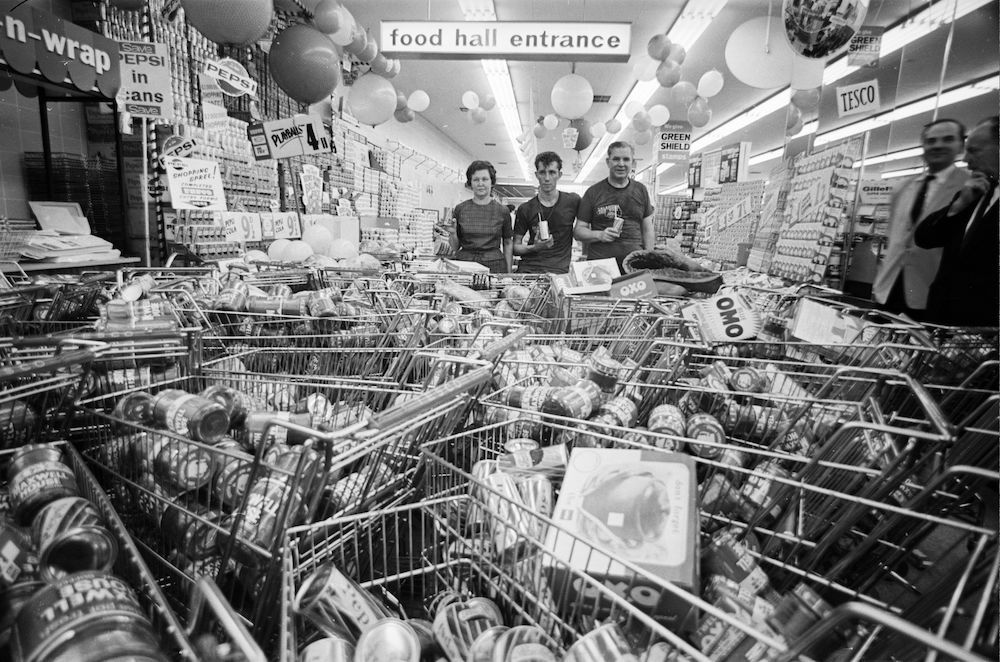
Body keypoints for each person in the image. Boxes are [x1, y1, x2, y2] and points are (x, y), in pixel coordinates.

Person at [871, 119, 968, 319]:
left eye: (948, 139)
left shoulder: (967, 187)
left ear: (961, 145)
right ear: (923, 146)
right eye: (931, 141)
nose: (938, 145)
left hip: (928, 293)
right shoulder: (903, 188)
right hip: (888, 289)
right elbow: (895, 240)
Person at [915, 116, 999, 327]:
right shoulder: (976, 191)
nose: (966, 160)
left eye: (974, 151)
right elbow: (924, 237)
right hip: (942, 320)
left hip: (982, 329)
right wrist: (958, 205)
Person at [575, 141, 655, 270]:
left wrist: (649, 258)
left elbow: (648, 229)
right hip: (600, 267)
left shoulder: (641, 190)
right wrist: (599, 235)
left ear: (632, 163)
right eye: (616, 159)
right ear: (608, 162)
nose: (621, 164)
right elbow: (578, 231)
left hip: (634, 266)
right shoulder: (593, 192)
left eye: (626, 159)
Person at [513, 151, 581, 274]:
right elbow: (515, 247)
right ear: (536, 175)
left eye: (552, 172)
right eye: (542, 172)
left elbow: (585, 227)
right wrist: (535, 247)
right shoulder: (526, 208)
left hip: (558, 271)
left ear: (559, 175)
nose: (547, 178)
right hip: (529, 270)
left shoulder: (573, 201)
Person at [451, 160, 513, 273]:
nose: (480, 184)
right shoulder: (460, 209)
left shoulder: (502, 211)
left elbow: (508, 243)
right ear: (470, 183)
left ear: (492, 182)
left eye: (484, 179)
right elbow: (455, 247)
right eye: (476, 180)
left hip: (495, 266)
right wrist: (452, 233)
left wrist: (509, 274)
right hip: (465, 265)